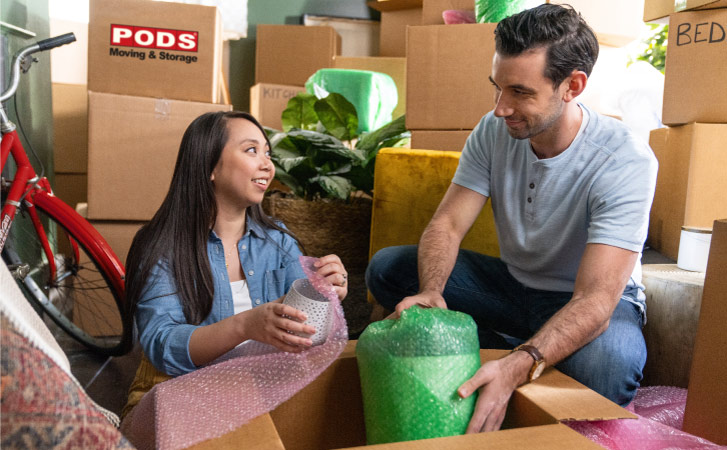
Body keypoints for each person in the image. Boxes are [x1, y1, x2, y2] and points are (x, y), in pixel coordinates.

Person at [365, 4, 658, 434]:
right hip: (512, 287)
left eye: (520, 92)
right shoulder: (493, 130)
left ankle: (510, 351)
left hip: (585, 300)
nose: (501, 109)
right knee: (389, 269)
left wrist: (519, 365)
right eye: (497, 88)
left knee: (606, 370)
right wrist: (431, 290)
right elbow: (447, 225)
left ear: (572, 86)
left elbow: (595, 301)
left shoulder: (623, 160)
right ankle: (517, 346)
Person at [121, 111, 348, 418]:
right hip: (180, 392)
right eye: (251, 150)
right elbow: (162, 345)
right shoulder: (163, 247)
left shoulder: (279, 242)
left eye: (267, 152)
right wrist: (245, 326)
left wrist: (326, 293)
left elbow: (306, 332)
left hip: (258, 388)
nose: (267, 164)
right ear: (209, 166)